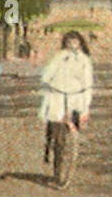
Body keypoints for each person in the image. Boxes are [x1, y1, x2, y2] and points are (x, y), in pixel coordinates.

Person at [38, 31, 94, 188]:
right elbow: (45, 77)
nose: (73, 45)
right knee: (58, 139)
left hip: (76, 101)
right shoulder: (58, 58)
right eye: (70, 42)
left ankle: (68, 167)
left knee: (72, 138)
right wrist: (54, 87)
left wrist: (85, 109)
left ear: (81, 43)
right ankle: (58, 172)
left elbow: (88, 85)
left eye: (76, 42)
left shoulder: (84, 61)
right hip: (57, 100)